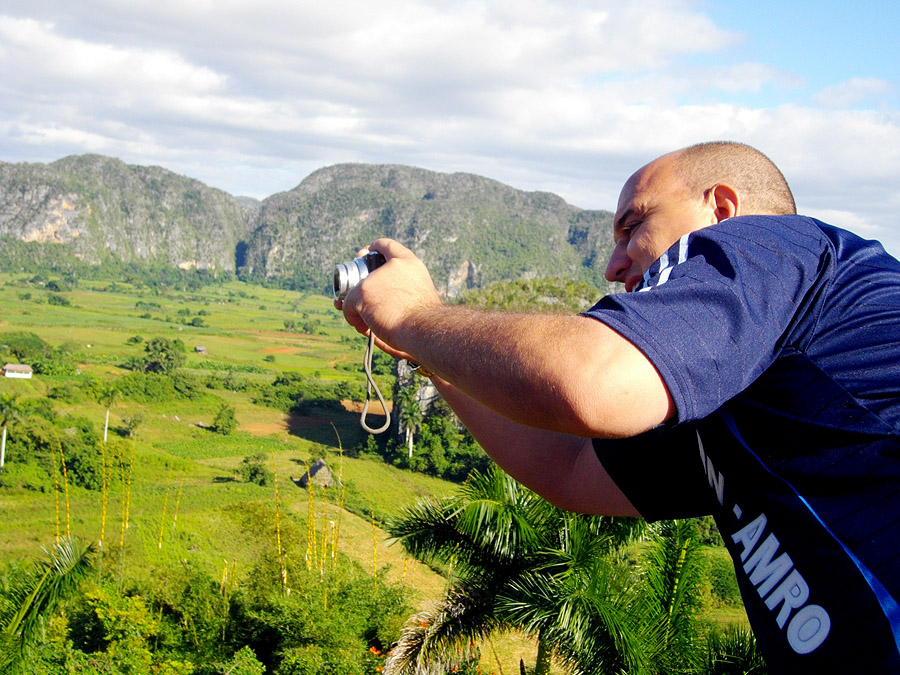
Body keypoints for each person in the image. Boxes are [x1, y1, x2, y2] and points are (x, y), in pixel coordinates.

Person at [337, 141, 900, 673]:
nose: (612, 265)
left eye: (633, 226)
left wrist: (415, 315)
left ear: (723, 210)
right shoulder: (737, 398)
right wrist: (422, 349)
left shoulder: (775, 245)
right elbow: (569, 468)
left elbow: (590, 382)